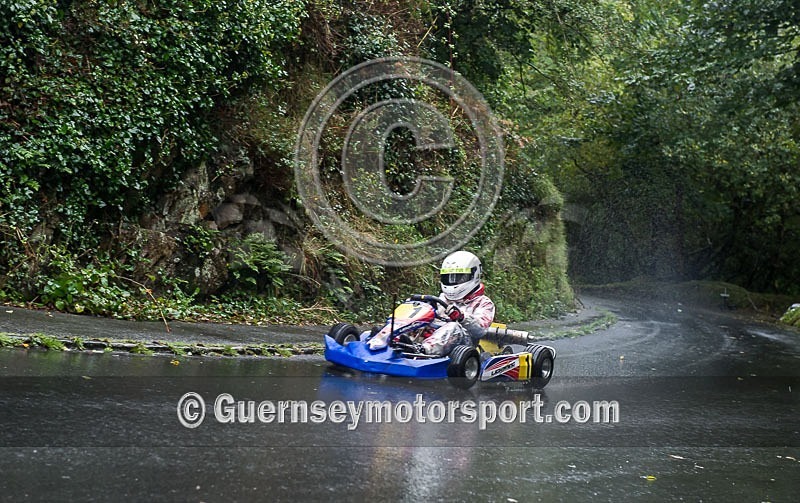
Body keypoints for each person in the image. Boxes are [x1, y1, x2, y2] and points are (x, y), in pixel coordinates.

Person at [404, 250, 495, 356]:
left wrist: (462, 317)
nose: (452, 281)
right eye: (448, 277)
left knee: (454, 327)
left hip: (463, 348)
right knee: (415, 320)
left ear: (474, 275)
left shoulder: (483, 303)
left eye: (459, 277)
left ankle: (422, 350)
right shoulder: (442, 298)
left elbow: (480, 329)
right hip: (435, 338)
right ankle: (395, 342)